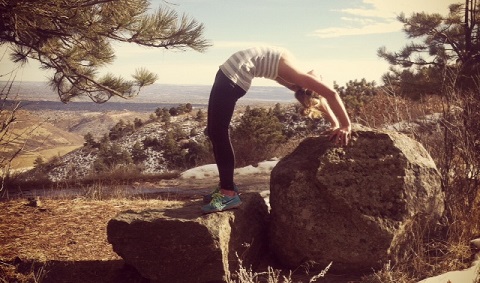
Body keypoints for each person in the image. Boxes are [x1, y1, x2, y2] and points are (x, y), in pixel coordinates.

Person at [202, 46, 352, 214]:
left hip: (233, 77)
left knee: (219, 132)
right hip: (227, 73)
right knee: (214, 131)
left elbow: (331, 94)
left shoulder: (297, 76)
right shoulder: (292, 75)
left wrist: (345, 125)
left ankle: (228, 193)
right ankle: (226, 185)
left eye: (317, 81)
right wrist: (334, 123)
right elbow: (316, 96)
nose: (316, 76)